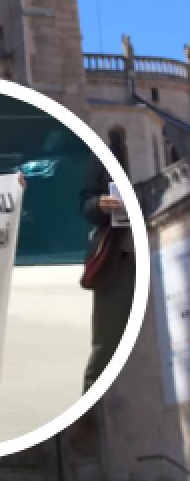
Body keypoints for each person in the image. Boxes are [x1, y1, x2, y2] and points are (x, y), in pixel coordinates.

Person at [80, 163, 135, 392]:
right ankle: (91, 418)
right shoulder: (105, 153)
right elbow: (86, 204)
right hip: (121, 261)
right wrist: (99, 204)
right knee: (108, 346)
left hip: (172, 253)